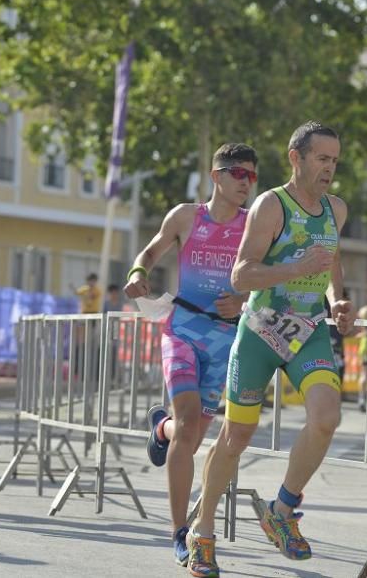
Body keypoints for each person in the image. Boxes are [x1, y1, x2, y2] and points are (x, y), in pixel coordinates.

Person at [186, 122, 355, 577]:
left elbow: (333, 256)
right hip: (261, 330)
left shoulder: (335, 209)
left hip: (309, 330)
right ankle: (201, 533)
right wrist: (296, 266)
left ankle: (282, 510)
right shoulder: (270, 205)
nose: (330, 169)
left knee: (326, 417)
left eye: (335, 161)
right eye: (323, 159)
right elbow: (241, 276)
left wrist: (338, 300)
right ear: (295, 158)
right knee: (236, 437)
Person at [124, 142, 257, 566]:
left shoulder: (254, 224)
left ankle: (158, 428)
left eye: (253, 176)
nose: (247, 183)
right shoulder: (186, 216)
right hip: (182, 329)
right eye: (240, 174)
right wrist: (138, 273)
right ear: (216, 176)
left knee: (192, 436)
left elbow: (265, 282)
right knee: (187, 426)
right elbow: (151, 250)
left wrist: (244, 300)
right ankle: (181, 531)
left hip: (226, 340)